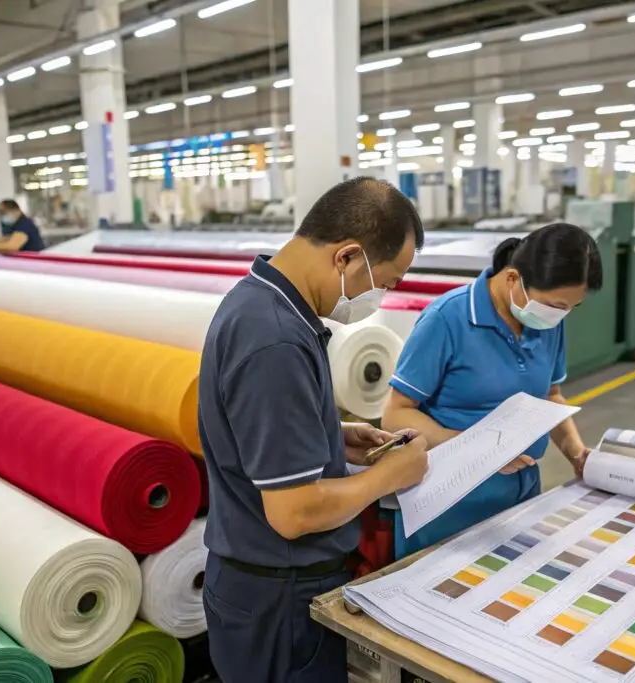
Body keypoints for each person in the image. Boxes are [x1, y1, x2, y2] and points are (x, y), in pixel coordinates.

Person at [199, 177, 430, 683]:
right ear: (346, 257)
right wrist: (392, 475)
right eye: (386, 283)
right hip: (279, 603)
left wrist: (330, 434)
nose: (380, 297)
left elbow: (247, 431)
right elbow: (294, 512)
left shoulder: (263, 302)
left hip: (260, 588)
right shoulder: (276, 340)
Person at [381, 223, 603, 558]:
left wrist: (577, 454)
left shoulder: (546, 323)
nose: (559, 316)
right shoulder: (447, 319)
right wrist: (481, 451)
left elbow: (550, 396)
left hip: (519, 497)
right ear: (513, 278)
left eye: (570, 307)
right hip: (448, 504)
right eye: (554, 305)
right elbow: (396, 414)